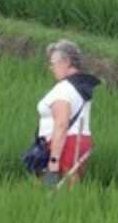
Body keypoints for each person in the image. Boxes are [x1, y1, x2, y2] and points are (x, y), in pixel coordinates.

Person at [36, 40, 101, 188]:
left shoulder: (64, 89)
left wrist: (53, 163)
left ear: (66, 62)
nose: (51, 68)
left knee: (50, 192)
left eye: (53, 63)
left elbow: (61, 124)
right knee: (69, 195)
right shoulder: (81, 86)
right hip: (79, 142)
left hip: (63, 145)